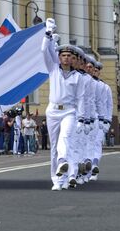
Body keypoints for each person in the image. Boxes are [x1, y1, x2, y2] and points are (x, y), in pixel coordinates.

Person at [42, 18, 85, 191]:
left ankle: (63, 164)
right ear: (59, 58)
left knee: (65, 139)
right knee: (54, 147)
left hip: (69, 111)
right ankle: (57, 180)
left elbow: (81, 98)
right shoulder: (53, 69)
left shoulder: (78, 77)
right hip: (53, 110)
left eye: (69, 56)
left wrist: (81, 118)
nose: (66, 58)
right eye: (63, 55)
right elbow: (44, 50)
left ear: (73, 59)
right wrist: (48, 33)